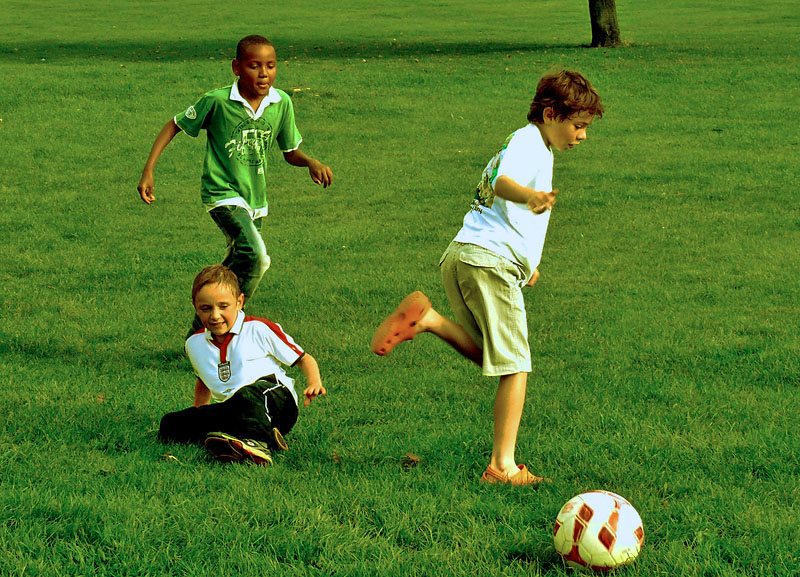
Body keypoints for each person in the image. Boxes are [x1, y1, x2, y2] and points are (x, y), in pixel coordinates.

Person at [371, 70, 604, 485]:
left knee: (493, 356)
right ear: (550, 113)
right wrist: (529, 196)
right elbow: (502, 184)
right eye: (579, 125)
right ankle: (503, 467)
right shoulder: (529, 142)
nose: (583, 135)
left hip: (466, 257)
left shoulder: (537, 145)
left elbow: (505, 217)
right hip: (486, 262)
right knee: (517, 367)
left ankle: (428, 320)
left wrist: (527, 264)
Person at [137, 34, 333, 334]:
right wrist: (149, 170)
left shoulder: (281, 103)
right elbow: (174, 125)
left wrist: (310, 162)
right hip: (222, 195)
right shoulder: (217, 101)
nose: (264, 73)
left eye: (271, 65)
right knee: (257, 257)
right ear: (236, 67)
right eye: (255, 66)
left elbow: (289, 151)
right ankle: (226, 328)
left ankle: (199, 334)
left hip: (256, 201)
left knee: (235, 268)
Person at [159, 264, 326, 465]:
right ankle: (260, 438)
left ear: (239, 302)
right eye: (206, 308)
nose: (214, 315)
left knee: (247, 396)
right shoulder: (194, 344)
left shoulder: (258, 329)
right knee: (170, 424)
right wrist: (201, 415)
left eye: (223, 306)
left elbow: (303, 358)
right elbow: (202, 381)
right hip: (233, 409)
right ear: (195, 305)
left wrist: (314, 381)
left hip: (276, 401)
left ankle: (258, 446)